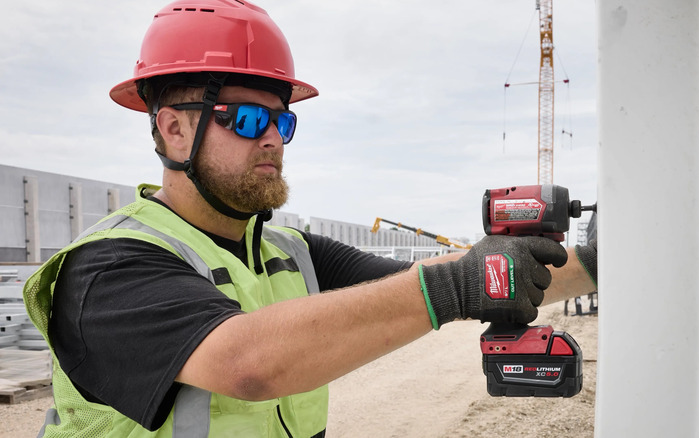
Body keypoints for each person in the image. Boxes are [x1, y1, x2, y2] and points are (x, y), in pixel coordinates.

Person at [23, 1, 598, 437]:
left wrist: (603, 262)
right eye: (247, 119)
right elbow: (248, 362)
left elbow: (462, 273)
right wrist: (456, 286)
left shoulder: (290, 252)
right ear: (173, 130)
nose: (273, 138)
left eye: (283, 121)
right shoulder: (107, 269)